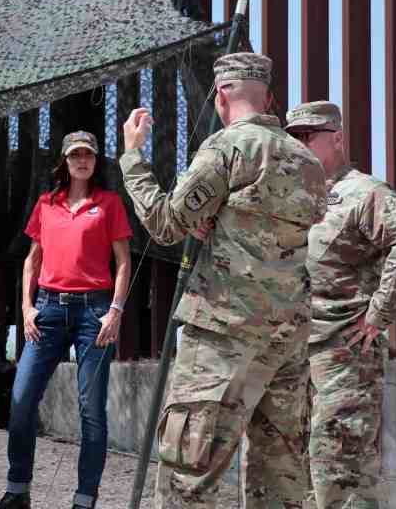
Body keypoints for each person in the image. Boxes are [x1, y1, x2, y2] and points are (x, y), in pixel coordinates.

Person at [119, 53, 327, 509]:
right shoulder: (308, 160)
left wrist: (132, 157)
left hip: (223, 328)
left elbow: (166, 224)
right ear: (268, 99)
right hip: (287, 334)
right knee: (281, 479)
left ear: (221, 95)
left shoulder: (228, 147)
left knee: (190, 472)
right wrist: (221, 218)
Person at [284, 101, 396, 509]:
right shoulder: (291, 195)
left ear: (337, 138)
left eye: (308, 136)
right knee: (295, 466)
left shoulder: (363, 192)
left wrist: (380, 313)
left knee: (341, 465)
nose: (299, 144)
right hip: (291, 351)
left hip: (344, 350)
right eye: (293, 138)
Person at [0, 131, 132, 509]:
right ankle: (17, 491)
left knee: (91, 409)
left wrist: (115, 311)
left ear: (96, 161)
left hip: (95, 314)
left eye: (88, 155)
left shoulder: (109, 203)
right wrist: (27, 308)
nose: (81, 161)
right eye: (75, 155)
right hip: (47, 311)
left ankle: (84, 500)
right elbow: (31, 260)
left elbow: (123, 262)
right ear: (65, 162)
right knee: (21, 399)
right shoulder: (46, 204)